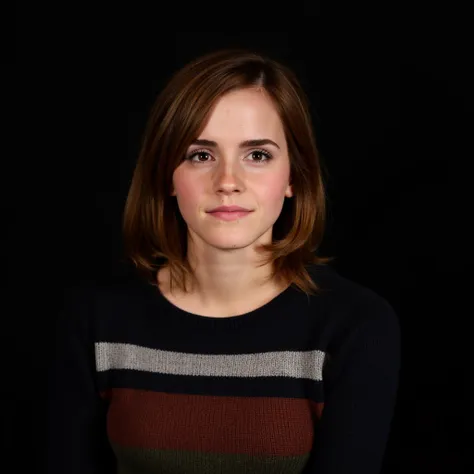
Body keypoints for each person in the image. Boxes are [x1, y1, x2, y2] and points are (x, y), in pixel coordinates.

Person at [48, 48, 401, 474]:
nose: (228, 182)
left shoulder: (354, 326)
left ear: (293, 176)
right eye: (201, 154)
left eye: (258, 155)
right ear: (167, 177)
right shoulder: (96, 320)